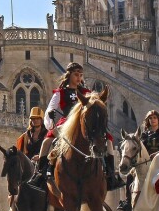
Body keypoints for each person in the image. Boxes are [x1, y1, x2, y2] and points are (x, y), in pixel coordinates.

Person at [36, 62, 123, 190]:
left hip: (85, 123)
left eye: (81, 75)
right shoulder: (60, 92)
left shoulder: (87, 92)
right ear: (69, 75)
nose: (79, 78)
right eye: (76, 74)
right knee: (47, 142)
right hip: (67, 123)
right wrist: (51, 126)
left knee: (108, 141)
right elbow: (50, 110)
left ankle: (110, 174)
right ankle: (40, 173)